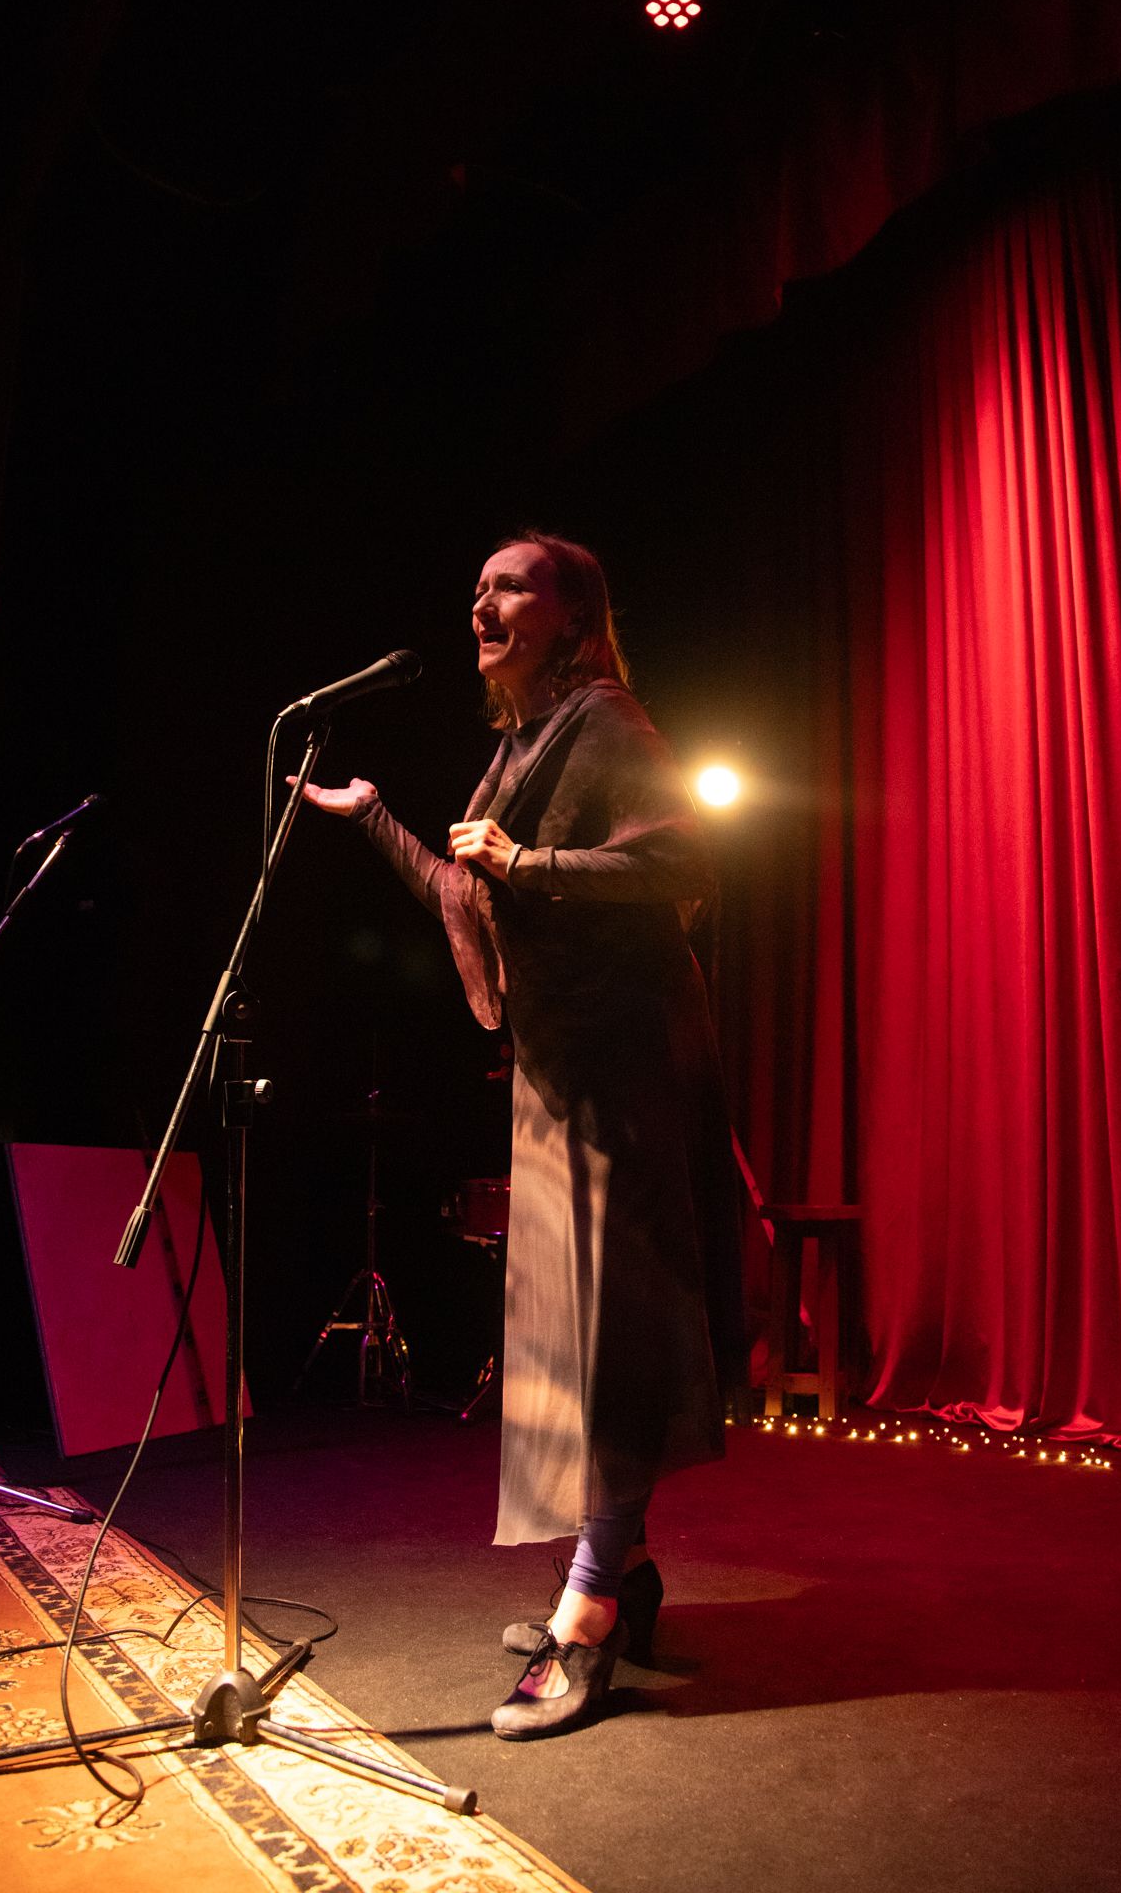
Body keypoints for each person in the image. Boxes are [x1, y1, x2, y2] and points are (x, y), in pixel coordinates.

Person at [295, 532, 743, 1738]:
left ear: (569, 615)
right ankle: (622, 1570)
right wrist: (372, 817)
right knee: (567, 1335)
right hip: (559, 1069)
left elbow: (681, 859)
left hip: (626, 1066)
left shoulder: (604, 717)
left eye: (507, 585)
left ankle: (588, 1609)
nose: (479, 602)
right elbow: (469, 890)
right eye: (477, 587)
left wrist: (528, 857)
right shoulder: (518, 746)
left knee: (614, 1336)